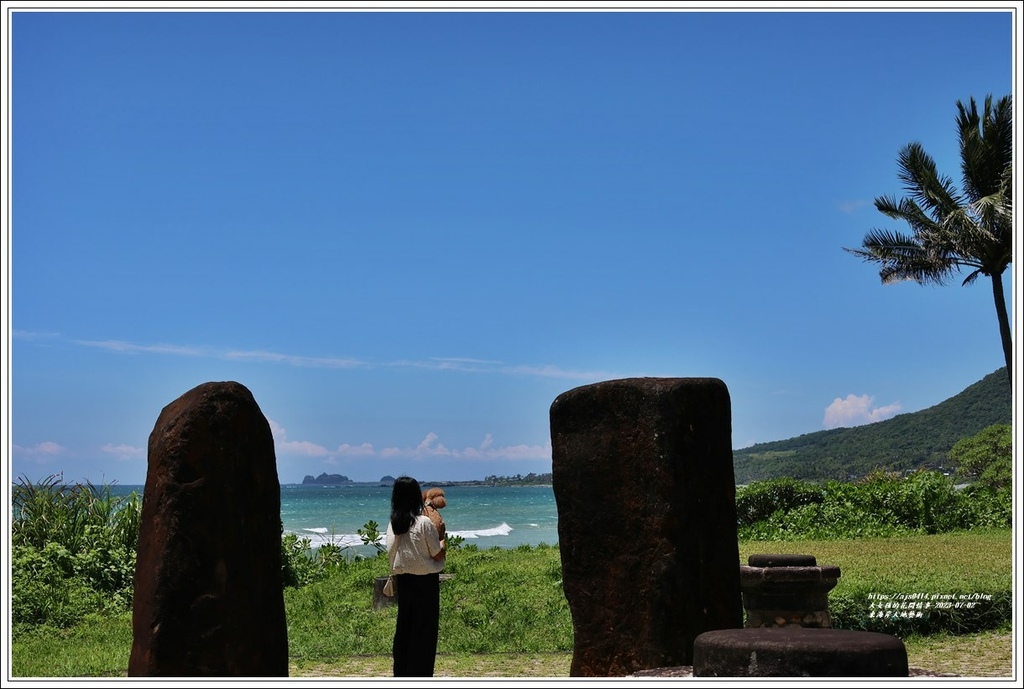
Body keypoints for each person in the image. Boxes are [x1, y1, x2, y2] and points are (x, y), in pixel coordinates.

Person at [386, 475, 446, 677]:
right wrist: (443, 541)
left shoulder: (394, 524)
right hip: (425, 583)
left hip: (404, 581)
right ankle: (421, 674)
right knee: (424, 631)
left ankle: (401, 672)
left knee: (404, 628)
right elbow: (437, 554)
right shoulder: (424, 523)